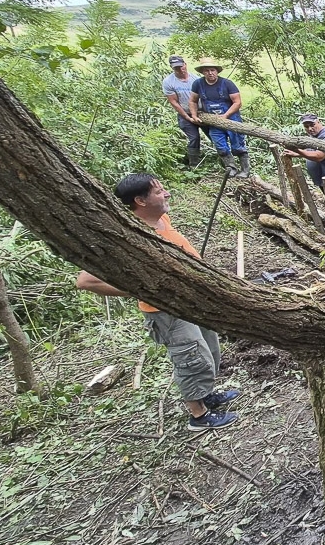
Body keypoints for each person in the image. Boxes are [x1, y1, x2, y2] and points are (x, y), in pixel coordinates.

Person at [75, 174, 240, 431]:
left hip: (193, 301)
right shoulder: (129, 236)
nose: (167, 194)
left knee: (208, 349)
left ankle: (206, 394)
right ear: (140, 201)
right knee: (190, 357)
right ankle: (198, 415)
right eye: (159, 192)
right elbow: (86, 281)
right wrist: (140, 290)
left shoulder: (161, 219)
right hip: (167, 311)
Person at [188, 58, 249, 178]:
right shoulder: (198, 84)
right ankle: (231, 168)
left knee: (238, 146)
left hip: (232, 120)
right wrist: (194, 115)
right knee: (220, 146)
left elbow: (237, 102)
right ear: (202, 72)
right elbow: (193, 101)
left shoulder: (227, 83)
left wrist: (226, 116)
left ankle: (245, 170)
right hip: (214, 122)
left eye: (212, 70)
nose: (210, 73)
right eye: (207, 70)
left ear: (217, 71)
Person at [161, 55, 204, 168]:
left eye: (181, 66)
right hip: (185, 113)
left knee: (214, 135)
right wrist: (187, 117)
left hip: (202, 113)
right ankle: (194, 165)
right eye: (176, 68)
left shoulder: (196, 79)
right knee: (194, 138)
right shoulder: (168, 82)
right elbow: (174, 102)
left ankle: (223, 160)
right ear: (172, 68)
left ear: (185, 64)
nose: (180, 69)